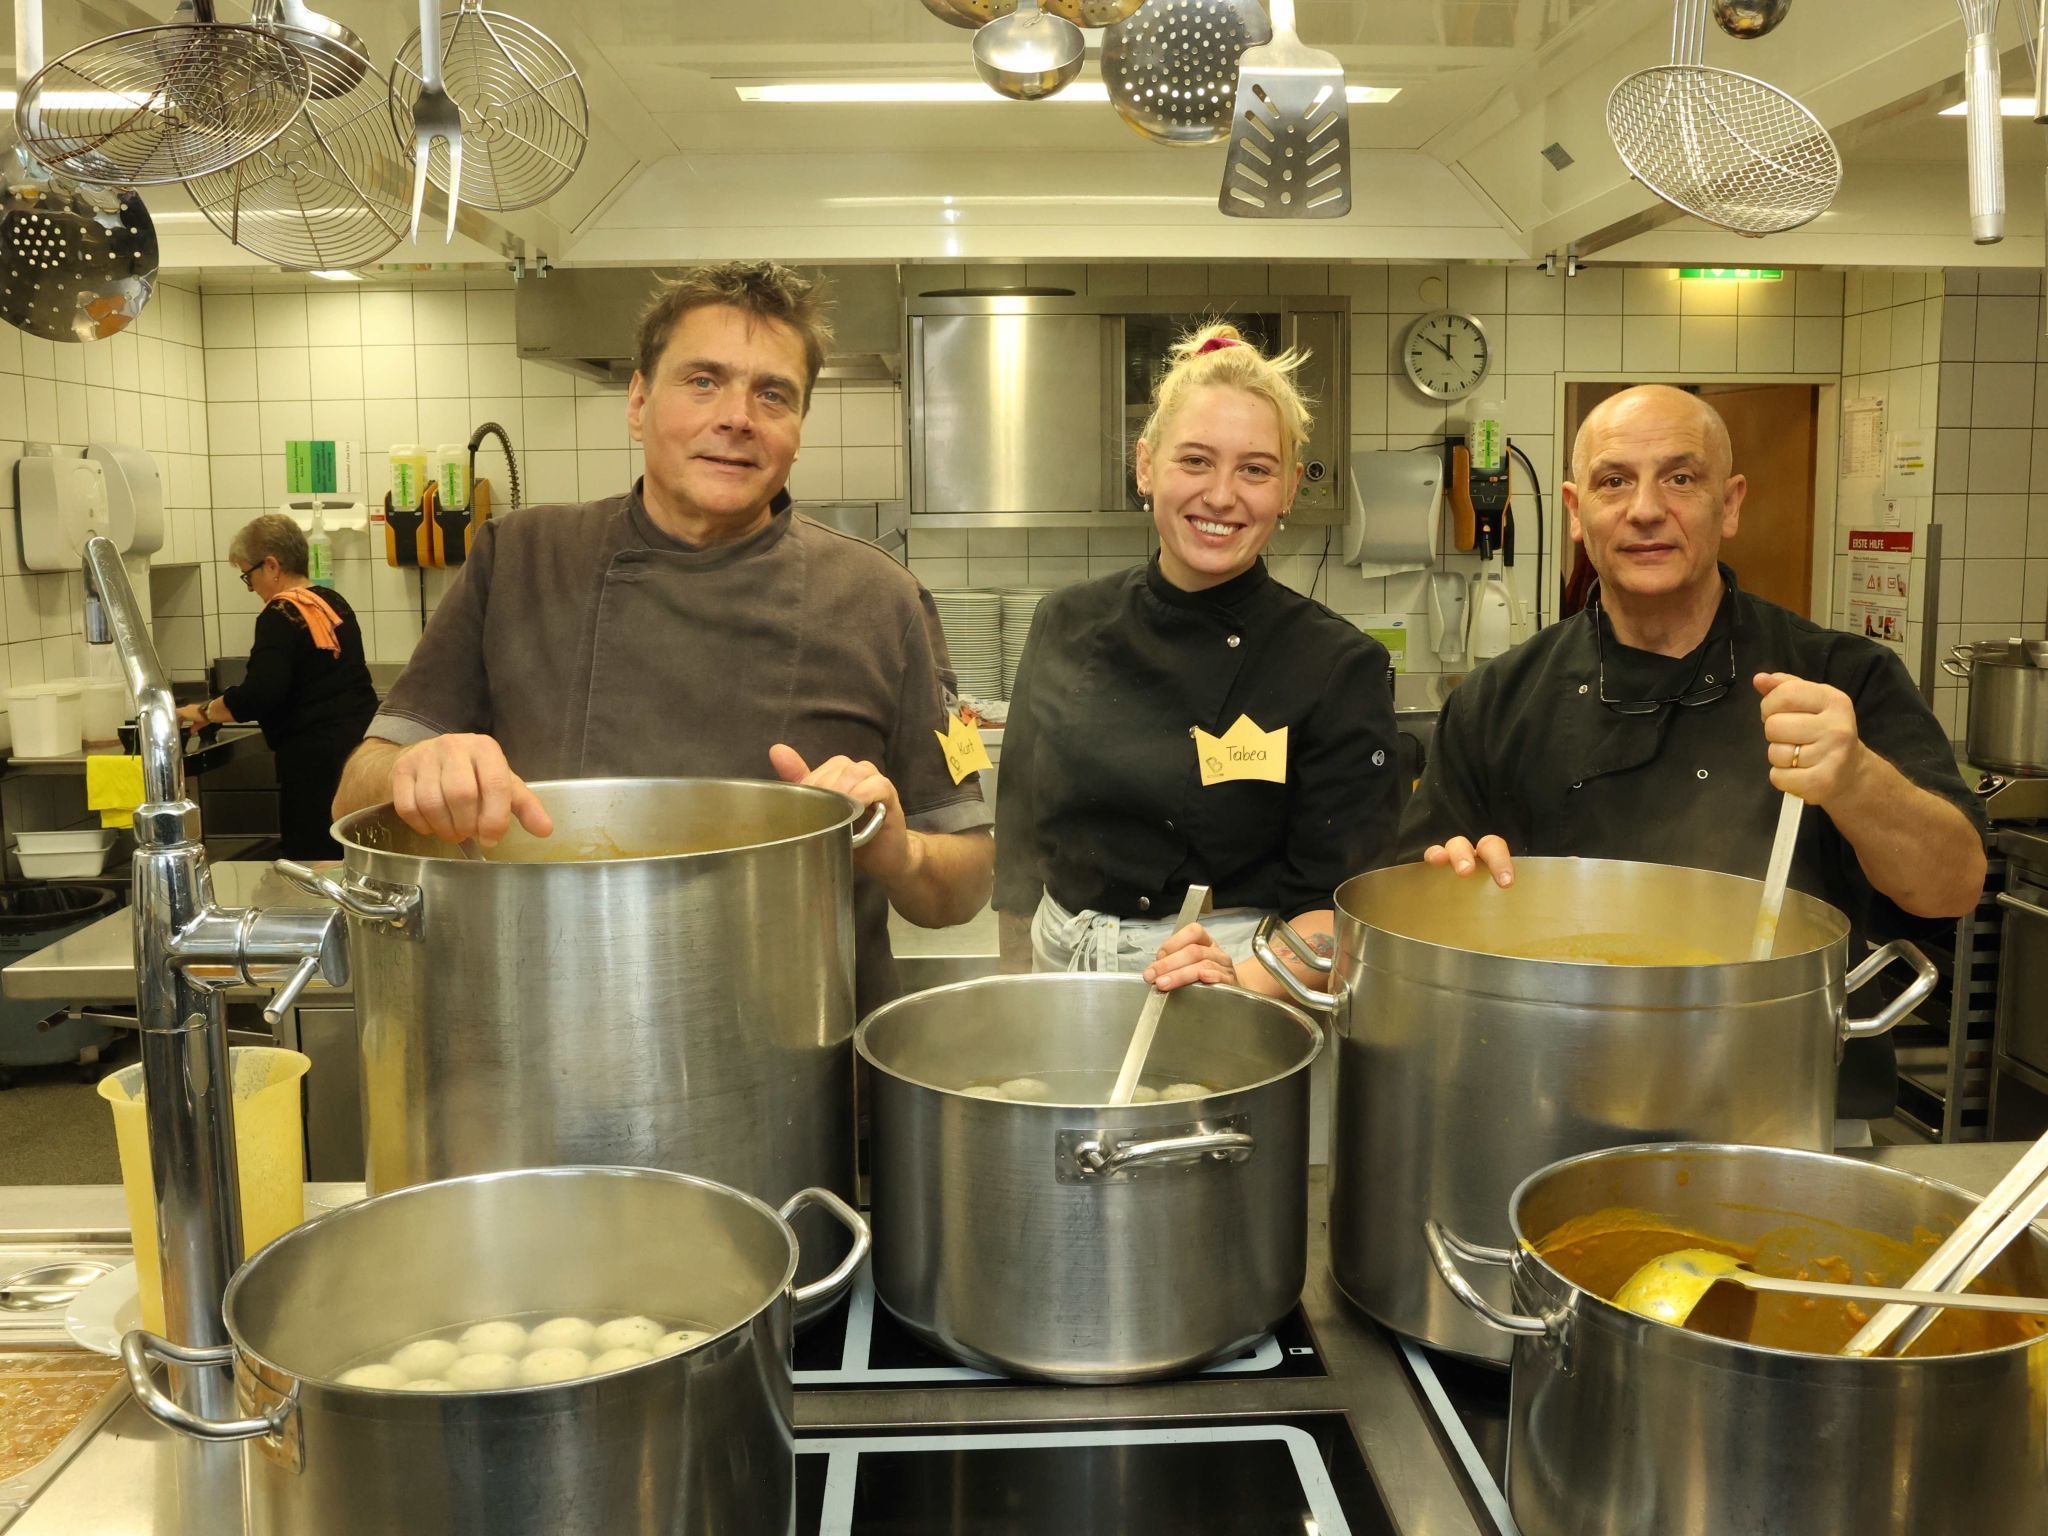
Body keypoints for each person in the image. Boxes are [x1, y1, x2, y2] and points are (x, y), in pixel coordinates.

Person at [332, 260, 992, 1010]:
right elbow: (355, 789)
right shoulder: (520, 558)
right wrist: (417, 769)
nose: (738, 416)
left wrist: (897, 850)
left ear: (797, 431)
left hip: (798, 1053)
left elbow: (966, 882)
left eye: (773, 394)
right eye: (703, 380)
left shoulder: (882, 598)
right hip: (543, 1035)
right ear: (639, 402)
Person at [1400, 384, 1987, 1121]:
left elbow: (1953, 886)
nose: (1646, 509)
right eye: (1615, 481)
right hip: (1549, 1097)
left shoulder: (1841, 678)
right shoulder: (1496, 702)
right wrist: (1450, 883)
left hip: (1792, 1103)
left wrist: (1859, 779)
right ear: (1578, 514)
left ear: (1730, 503)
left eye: (1681, 477)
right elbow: (1413, 909)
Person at [994, 322, 1401, 997]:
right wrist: (1011, 995)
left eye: (1255, 470)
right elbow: (1017, 849)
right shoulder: (1066, 620)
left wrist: (1237, 986)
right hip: (1058, 966)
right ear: (1146, 465)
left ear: (1290, 487)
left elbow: (1342, 912)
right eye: (1195, 461)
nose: (1220, 495)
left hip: (1233, 976)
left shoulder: (1334, 666)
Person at [176, 513, 378, 860]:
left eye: (247, 576)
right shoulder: (333, 602)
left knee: (316, 862)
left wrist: (205, 711)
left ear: (271, 565)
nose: (251, 587)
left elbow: (260, 695)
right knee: (356, 859)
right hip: (362, 755)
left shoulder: (280, 614)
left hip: (315, 768)